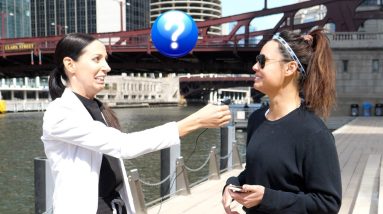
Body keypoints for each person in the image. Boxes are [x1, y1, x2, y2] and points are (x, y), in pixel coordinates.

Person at [41, 33, 231, 214]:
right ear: (70, 64)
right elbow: (124, 145)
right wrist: (195, 121)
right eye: (96, 59)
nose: (106, 67)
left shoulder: (98, 108)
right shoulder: (60, 113)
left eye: (105, 59)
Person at [222, 29, 342, 214]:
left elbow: (328, 204)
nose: (255, 66)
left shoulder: (314, 133)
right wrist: (233, 185)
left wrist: (267, 198)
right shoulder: (256, 119)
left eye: (262, 61)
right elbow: (259, 173)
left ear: (290, 68)